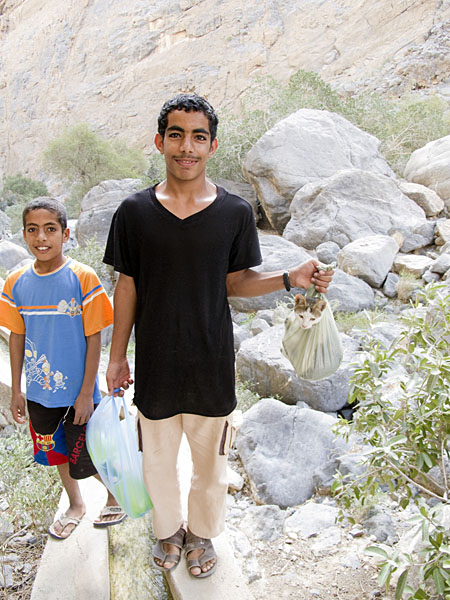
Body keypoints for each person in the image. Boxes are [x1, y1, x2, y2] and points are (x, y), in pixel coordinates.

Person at [103, 93, 334, 577]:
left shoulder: (233, 212)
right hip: (157, 362)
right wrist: (117, 356)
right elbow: (127, 286)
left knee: (210, 463)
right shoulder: (134, 213)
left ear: (212, 146)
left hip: (211, 361)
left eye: (198, 137)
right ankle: (168, 530)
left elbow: (236, 283)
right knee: (158, 461)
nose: (187, 146)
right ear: (159, 141)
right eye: (176, 135)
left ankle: (202, 533)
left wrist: (290, 277)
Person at [0, 197, 126, 539]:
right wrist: (17, 389)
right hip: (40, 394)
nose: (42, 237)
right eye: (33, 230)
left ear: (65, 234)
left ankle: (115, 496)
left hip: (78, 393)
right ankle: (75, 504)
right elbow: (16, 337)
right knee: (54, 453)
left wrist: (87, 393)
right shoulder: (15, 283)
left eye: (50, 229)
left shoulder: (81, 278)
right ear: (24, 235)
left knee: (87, 451)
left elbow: (94, 338)